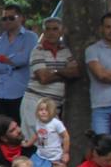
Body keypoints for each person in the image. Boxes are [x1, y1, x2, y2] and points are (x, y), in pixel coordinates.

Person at [22, 17, 79, 146]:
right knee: (36, 144)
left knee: (52, 144)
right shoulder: (38, 51)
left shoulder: (65, 51)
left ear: (61, 32)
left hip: (54, 105)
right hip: (35, 103)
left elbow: (75, 72)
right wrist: (63, 72)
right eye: (48, 29)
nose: (51, 32)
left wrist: (53, 72)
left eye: (55, 29)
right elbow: (43, 78)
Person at [0, 4, 37, 122]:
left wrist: (3, 61)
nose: (7, 21)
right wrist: (11, 65)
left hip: (20, 93)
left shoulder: (30, 37)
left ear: (21, 18)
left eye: (11, 18)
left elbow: (24, 59)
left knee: (17, 132)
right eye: (4, 18)